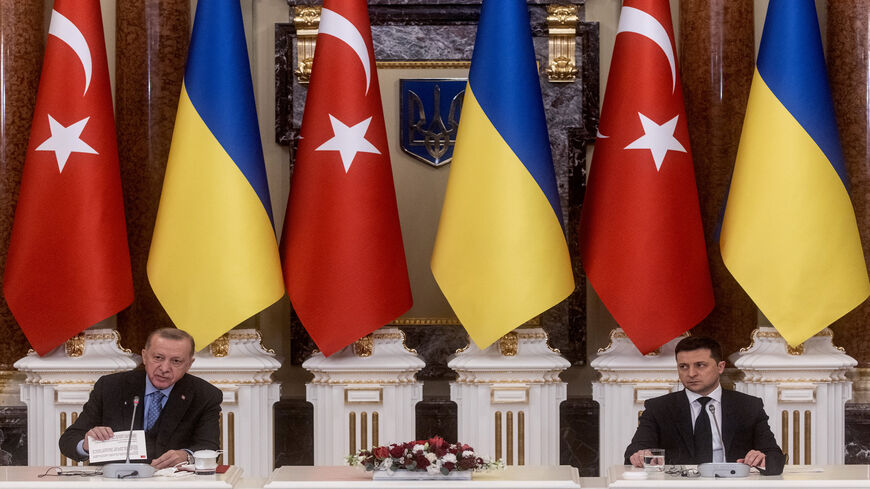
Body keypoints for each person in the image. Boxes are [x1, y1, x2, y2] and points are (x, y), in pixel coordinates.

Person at [59, 328, 222, 469]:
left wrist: (187, 456)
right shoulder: (110, 387)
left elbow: (209, 448)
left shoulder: (205, 395)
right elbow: (68, 441)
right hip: (115, 483)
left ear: (189, 364)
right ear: (144, 356)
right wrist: (86, 445)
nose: (165, 368)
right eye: (158, 358)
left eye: (176, 361)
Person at [624, 336, 785, 475]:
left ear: (720, 367)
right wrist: (640, 455)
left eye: (700, 365)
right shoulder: (659, 408)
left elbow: (775, 458)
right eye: (683, 367)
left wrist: (762, 459)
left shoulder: (748, 406)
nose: (691, 374)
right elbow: (633, 452)